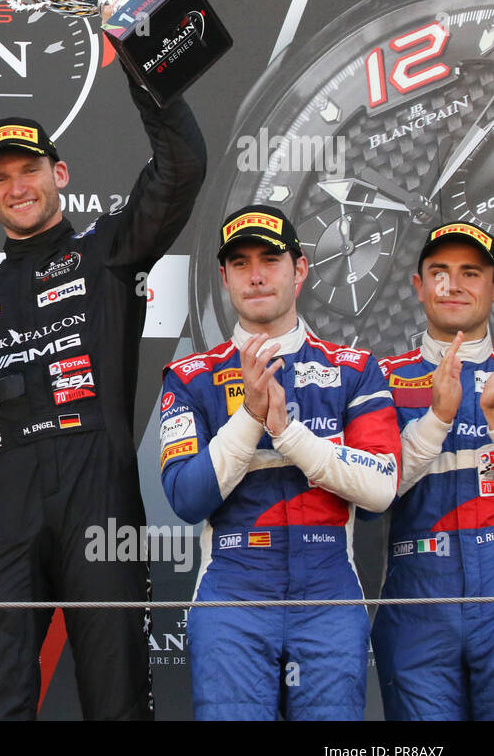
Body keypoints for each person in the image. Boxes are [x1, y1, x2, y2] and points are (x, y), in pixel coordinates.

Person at [0, 70, 207, 720]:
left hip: (101, 503)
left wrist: (144, 66)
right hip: (6, 509)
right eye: (0, 177)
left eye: (29, 168)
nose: (17, 186)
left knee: (117, 700)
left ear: (58, 174)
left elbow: (181, 168)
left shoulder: (107, 251)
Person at [158, 205, 401, 720]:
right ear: (223, 277)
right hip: (233, 592)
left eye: (270, 258)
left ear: (301, 268)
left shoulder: (354, 370)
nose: (257, 274)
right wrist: (249, 415)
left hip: (331, 590)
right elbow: (186, 498)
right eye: (241, 263)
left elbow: (380, 489)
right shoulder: (190, 376)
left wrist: (286, 434)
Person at [375, 222, 494, 720]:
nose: (453, 284)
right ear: (418, 286)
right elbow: (367, 496)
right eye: (439, 272)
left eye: (471, 272)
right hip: (416, 607)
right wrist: (437, 419)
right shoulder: (379, 379)